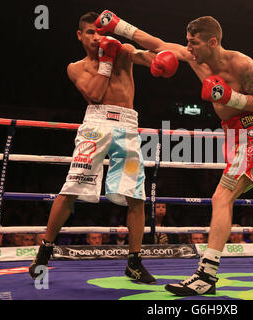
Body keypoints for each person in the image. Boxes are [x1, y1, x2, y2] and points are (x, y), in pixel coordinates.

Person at [95, 11, 253, 296]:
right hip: (236, 136)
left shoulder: (242, 64)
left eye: (193, 43)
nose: (188, 48)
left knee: (221, 197)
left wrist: (230, 97)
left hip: (252, 133)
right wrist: (117, 26)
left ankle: (207, 274)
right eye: (187, 43)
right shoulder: (194, 59)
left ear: (212, 42)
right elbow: (156, 43)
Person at [29, 12, 178, 284]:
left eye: (99, 32)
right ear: (80, 35)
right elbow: (95, 94)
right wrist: (106, 61)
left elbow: (151, 55)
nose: (96, 38)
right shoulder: (76, 67)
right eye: (89, 33)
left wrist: (159, 62)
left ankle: (134, 262)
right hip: (96, 124)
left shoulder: (122, 51)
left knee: (136, 195)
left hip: (128, 126)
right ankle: (45, 250)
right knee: (72, 187)